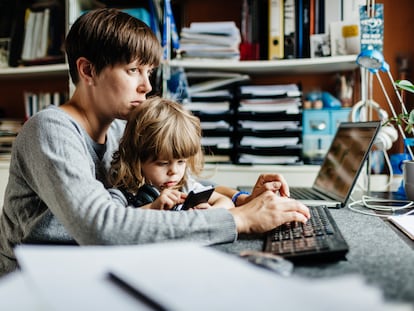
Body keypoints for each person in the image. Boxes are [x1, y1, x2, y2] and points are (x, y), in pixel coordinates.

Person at [0, 8, 310, 276]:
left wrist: (243, 198)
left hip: (97, 267)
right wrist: (238, 220)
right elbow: (100, 227)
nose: (146, 85)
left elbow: (184, 183)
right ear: (87, 70)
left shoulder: (121, 129)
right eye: (133, 70)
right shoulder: (51, 129)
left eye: (148, 72)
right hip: (39, 283)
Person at [108, 96, 234, 210]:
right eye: (163, 163)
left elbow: (225, 201)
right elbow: (114, 223)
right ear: (136, 159)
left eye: (181, 161)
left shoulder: (186, 186)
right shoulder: (122, 194)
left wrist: (211, 212)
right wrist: (152, 207)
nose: (174, 171)